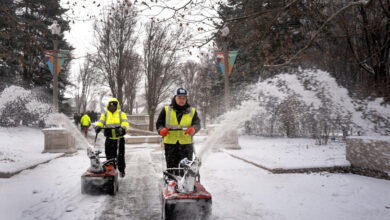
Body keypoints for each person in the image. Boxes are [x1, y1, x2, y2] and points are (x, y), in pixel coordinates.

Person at [156, 88, 201, 175]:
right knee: (172, 167)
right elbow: (159, 124)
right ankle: (171, 184)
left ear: (186, 99)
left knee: (186, 169)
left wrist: (194, 128)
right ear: (175, 98)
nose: (182, 100)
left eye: (184, 98)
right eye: (179, 98)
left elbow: (197, 124)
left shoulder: (192, 111)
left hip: (186, 145)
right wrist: (161, 130)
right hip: (170, 145)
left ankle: (186, 185)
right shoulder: (166, 110)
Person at [95, 98, 129, 178]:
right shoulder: (105, 114)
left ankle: (121, 170)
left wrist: (122, 128)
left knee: (120, 155)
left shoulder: (121, 114)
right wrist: (98, 127)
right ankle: (110, 169)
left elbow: (125, 123)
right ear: (108, 106)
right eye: (110, 106)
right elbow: (101, 122)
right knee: (109, 155)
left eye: (114, 106)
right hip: (109, 138)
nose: (112, 107)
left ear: (116, 106)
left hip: (119, 138)